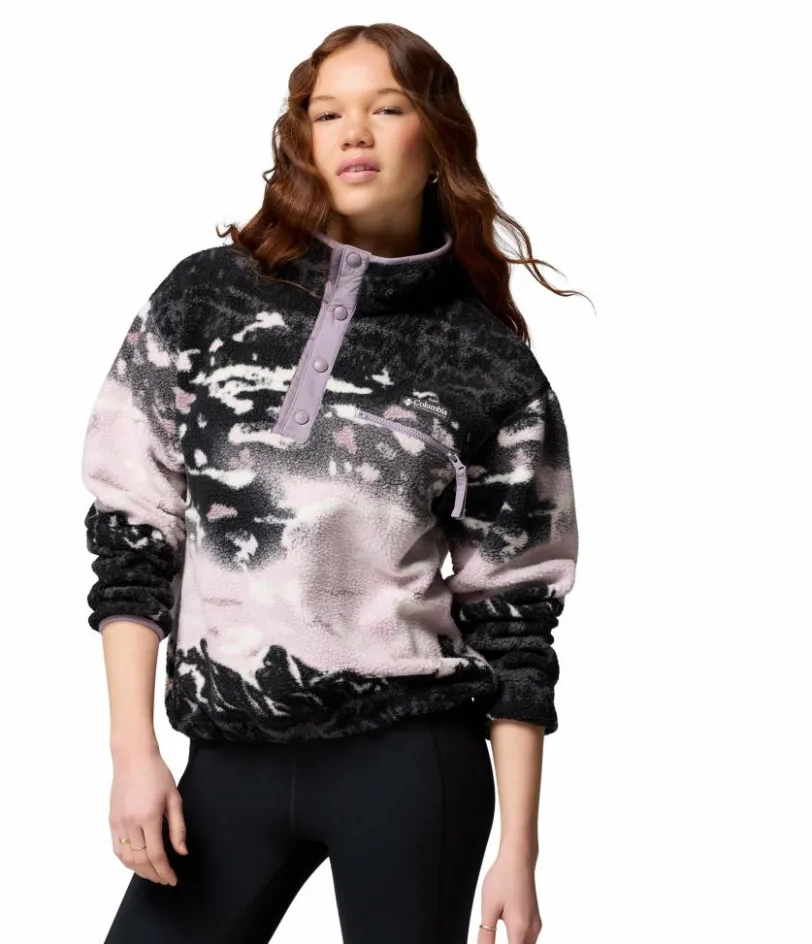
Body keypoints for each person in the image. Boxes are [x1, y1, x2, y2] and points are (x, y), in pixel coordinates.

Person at [80, 22, 584, 944]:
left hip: (409, 761)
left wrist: (520, 847)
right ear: (303, 140)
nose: (354, 132)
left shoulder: (489, 365)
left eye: (386, 109)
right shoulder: (205, 299)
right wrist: (132, 750)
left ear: (436, 139)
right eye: (328, 113)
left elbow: (515, 617)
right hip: (226, 755)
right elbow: (133, 528)